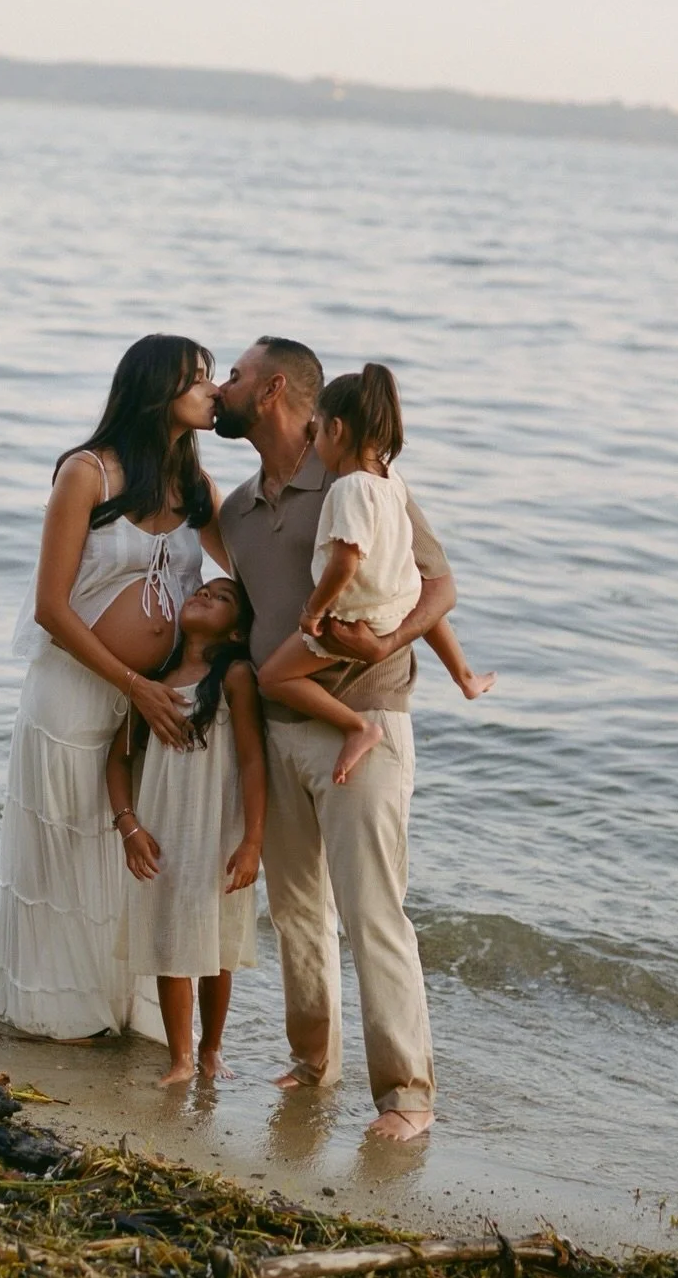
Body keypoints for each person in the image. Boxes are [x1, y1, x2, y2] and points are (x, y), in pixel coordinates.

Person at [214, 336, 457, 1142]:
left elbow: (439, 584)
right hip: (279, 725)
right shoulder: (235, 511)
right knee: (296, 912)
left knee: (372, 911)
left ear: (273, 391)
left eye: (236, 376)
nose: (221, 388)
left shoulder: (361, 481)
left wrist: (388, 643)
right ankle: (314, 1062)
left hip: (369, 722)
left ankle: (407, 1096)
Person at [0, 334, 229, 1041]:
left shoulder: (195, 485)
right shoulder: (88, 473)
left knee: (137, 858)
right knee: (64, 857)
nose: (212, 391)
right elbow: (51, 607)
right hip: (74, 695)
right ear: (157, 389)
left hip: (150, 707)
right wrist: (134, 683)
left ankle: (132, 1023)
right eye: (197, 379)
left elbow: (248, 567)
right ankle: (56, 1025)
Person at [257, 362, 495, 784]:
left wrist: (314, 611)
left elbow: (345, 561)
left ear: (336, 430)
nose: (313, 444)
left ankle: (357, 728)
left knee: (273, 678)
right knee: (416, 596)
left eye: (316, 431)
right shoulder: (390, 480)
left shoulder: (349, 488)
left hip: (356, 618)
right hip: (397, 602)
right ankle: (465, 676)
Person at [106, 577, 267, 1086]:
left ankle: (211, 1049)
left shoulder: (235, 677)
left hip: (217, 828)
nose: (205, 596)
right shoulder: (155, 680)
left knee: (216, 945)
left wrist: (253, 840)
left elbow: (253, 761)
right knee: (170, 940)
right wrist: (128, 826)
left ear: (237, 631)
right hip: (164, 829)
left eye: (223, 598)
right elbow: (118, 759)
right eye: (202, 590)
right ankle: (180, 1059)